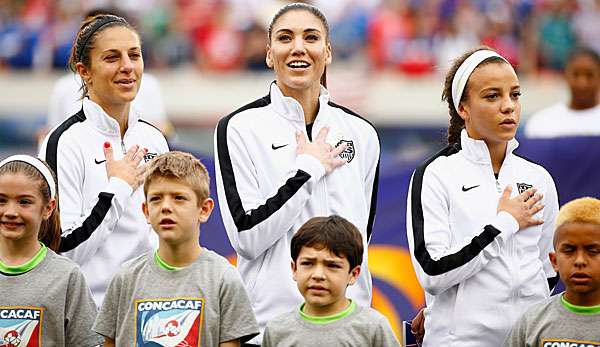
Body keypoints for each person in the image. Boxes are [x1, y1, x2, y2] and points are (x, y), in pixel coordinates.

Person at [214, 3, 380, 344]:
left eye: (311, 37)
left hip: (349, 328)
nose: (298, 47)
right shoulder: (239, 128)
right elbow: (247, 238)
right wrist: (308, 171)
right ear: (269, 54)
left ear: (328, 52)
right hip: (268, 328)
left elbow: (360, 238)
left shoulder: (362, 133)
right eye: (285, 38)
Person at [406, 47, 560, 346]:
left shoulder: (538, 178)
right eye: (492, 96)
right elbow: (433, 273)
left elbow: (548, 269)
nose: (508, 106)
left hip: (528, 341)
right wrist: (503, 224)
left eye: (515, 95)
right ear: (463, 108)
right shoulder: (436, 174)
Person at [39, 14, 169, 306]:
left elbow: (162, 235)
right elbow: (60, 252)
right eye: (112, 58)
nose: (127, 67)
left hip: (152, 315)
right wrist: (117, 189)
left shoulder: (154, 139)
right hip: (89, 319)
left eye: (134, 55)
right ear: (85, 71)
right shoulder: (63, 142)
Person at [93, 151, 259, 347]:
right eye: (156, 199)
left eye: (179, 198)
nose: (166, 207)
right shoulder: (125, 279)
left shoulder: (223, 278)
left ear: (204, 209)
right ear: (146, 211)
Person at [0, 155, 101, 346]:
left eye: (25, 202)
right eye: (1, 200)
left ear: (48, 208)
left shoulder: (66, 276)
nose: (11, 212)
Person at [261, 216, 399, 347]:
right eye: (308, 263)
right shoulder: (276, 330)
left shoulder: (373, 327)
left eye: (332, 266)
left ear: (353, 274)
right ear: (294, 269)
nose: (318, 275)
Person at [504, 197, 600, 346]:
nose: (580, 261)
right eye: (569, 250)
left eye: (593, 251)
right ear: (554, 261)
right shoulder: (532, 322)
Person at [525, 46, 600, 138]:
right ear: (565, 76)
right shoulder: (542, 123)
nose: (582, 83)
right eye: (576, 75)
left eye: (589, 75)